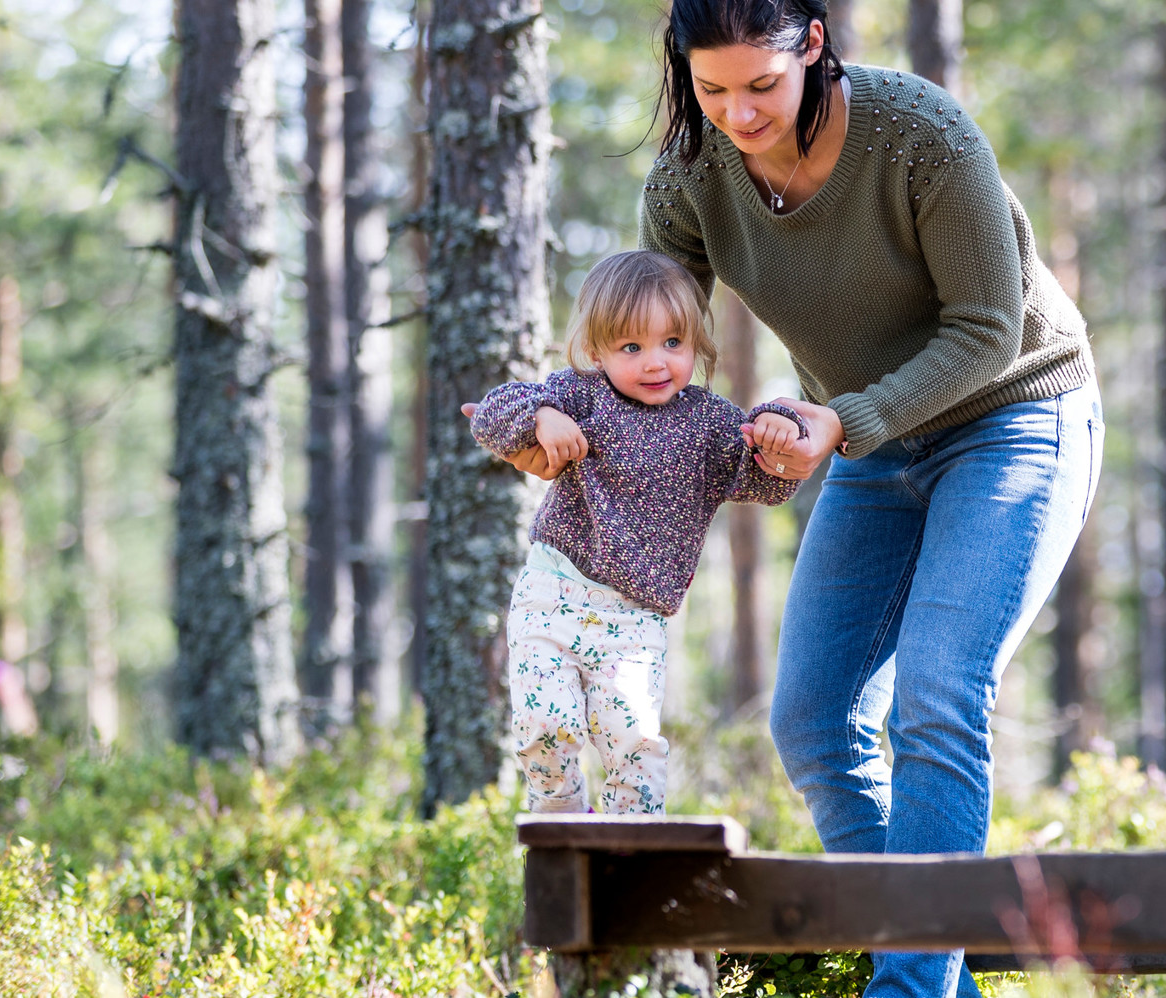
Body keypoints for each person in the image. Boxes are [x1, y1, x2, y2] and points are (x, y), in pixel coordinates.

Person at [487, 0, 1101, 993]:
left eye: (762, 85)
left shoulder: (920, 138)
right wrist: (555, 433)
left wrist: (839, 422)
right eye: (711, 88)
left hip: (1013, 416)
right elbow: (648, 360)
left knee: (942, 693)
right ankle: (931, 968)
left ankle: (906, 986)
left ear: (814, 45)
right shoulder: (690, 180)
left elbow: (989, 327)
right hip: (863, 436)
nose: (738, 113)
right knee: (815, 719)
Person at [468, 249, 805, 815]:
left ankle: (632, 860)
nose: (655, 362)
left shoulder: (709, 421)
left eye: (673, 342)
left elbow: (766, 483)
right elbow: (493, 412)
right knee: (545, 727)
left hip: (634, 620)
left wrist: (780, 428)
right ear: (598, 352)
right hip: (555, 595)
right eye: (632, 347)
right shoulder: (581, 393)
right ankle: (561, 834)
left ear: (696, 342)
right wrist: (540, 418)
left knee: (636, 747)